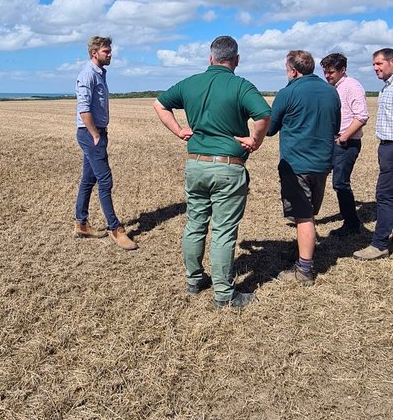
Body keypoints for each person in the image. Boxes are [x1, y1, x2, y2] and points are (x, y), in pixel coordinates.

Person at [153, 36, 270, 308]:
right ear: (236, 60)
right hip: (228, 167)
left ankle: (194, 279)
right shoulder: (241, 85)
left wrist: (180, 130)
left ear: (210, 58)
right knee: (224, 231)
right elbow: (264, 116)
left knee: (195, 223)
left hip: (195, 163)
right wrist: (255, 141)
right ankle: (224, 294)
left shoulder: (190, 82)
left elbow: (159, 104)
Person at [267, 50, 340, 286]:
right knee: (310, 212)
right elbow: (335, 124)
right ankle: (304, 249)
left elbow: (270, 128)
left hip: (297, 164)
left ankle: (304, 270)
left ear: (294, 70)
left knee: (303, 216)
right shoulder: (331, 92)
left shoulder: (287, 93)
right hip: (322, 163)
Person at [74, 36, 137, 251]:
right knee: (105, 180)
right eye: (106, 52)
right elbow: (84, 109)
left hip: (96, 133)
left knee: (88, 179)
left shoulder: (99, 73)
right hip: (90, 134)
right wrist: (95, 135)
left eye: (110, 51)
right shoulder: (88, 74)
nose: (110, 54)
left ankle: (81, 223)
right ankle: (115, 228)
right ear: (95, 53)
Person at [320, 52, 368, 235]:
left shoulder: (352, 86)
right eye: (325, 72)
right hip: (332, 141)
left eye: (331, 72)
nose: (327, 75)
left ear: (343, 70)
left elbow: (362, 116)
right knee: (318, 175)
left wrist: (343, 137)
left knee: (340, 183)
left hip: (346, 144)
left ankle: (351, 224)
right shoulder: (333, 88)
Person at [354, 47, 393, 260]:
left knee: (385, 196)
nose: (374, 68)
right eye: (373, 64)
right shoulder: (387, 87)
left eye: (379, 63)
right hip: (386, 146)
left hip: (392, 148)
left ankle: (379, 244)